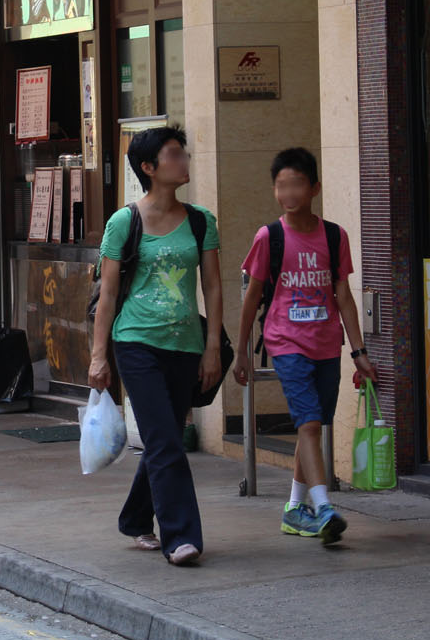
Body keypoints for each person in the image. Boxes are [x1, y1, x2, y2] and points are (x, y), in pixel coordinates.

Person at [88, 126, 222, 567]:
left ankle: (135, 517)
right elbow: (107, 296)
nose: (184, 160)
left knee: (164, 437)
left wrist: (212, 349)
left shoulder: (201, 220)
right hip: (136, 343)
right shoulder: (125, 222)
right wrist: (98, 356)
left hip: (185, 344)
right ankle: (181, 537)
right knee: (166, 439)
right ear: (149, 168)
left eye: (183, 152)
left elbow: (214, 288)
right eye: (173, 154)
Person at [234, 147, 375, 545]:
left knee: (311, 426)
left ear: (314, 187)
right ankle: (323, 505)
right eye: (281, 185)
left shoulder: (334, 235)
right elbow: (252, 297)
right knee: (309, 424)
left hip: (327, 344)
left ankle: (295, 509)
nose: (288, 192)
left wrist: (359, 353)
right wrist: (241, 351)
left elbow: (343, 295)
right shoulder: (270, 237)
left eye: (296, 183)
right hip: (285, 342)